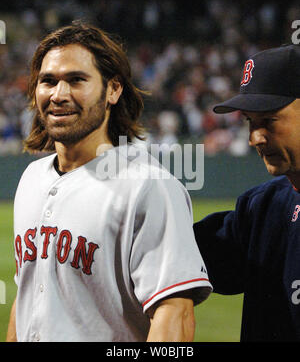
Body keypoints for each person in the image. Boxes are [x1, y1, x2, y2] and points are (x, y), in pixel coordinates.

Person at [6, 22, 212, 342]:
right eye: (48, 81)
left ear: (113, 90)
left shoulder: (148, 186)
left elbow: (174, 312)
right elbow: (26, 298)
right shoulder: (31, 179)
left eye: (76, 80)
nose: (59, 94)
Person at [194, 44, 300, 342]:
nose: (255, 137)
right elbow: (175, 256)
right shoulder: (262, 207)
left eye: (268, 121)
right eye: (251, 122)